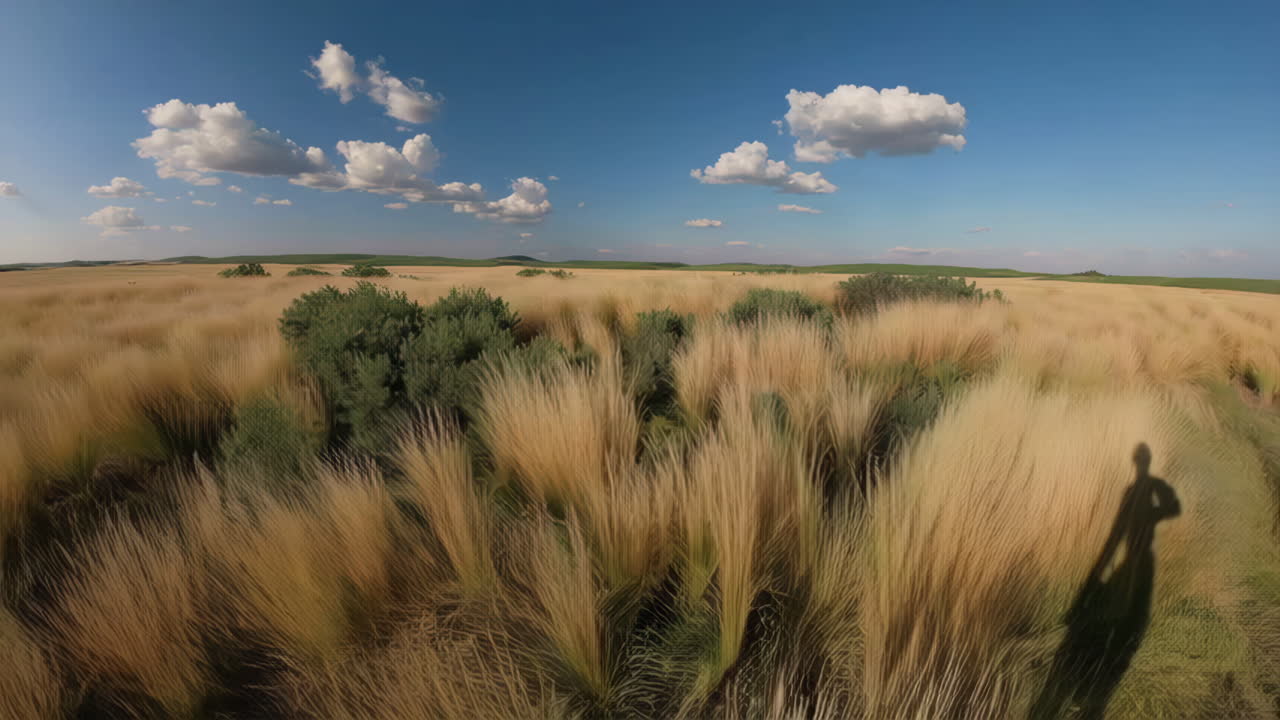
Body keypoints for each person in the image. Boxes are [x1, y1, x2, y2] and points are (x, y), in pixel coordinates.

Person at [1030, 443, 1181, 720]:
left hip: (1141, 560)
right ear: (1138, 463)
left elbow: (1173, 507)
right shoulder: (1132, 491)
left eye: (1142, 460)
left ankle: (1101, 677)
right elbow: (1116, 532)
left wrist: (1152, 517)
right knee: (1123, 624)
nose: (1140, 465)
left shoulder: (1153, 487)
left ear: (1142, 462)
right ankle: (1095, 686)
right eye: (1139, 461)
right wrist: (1100, 567)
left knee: (1129, 626)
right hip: (1133, 561)